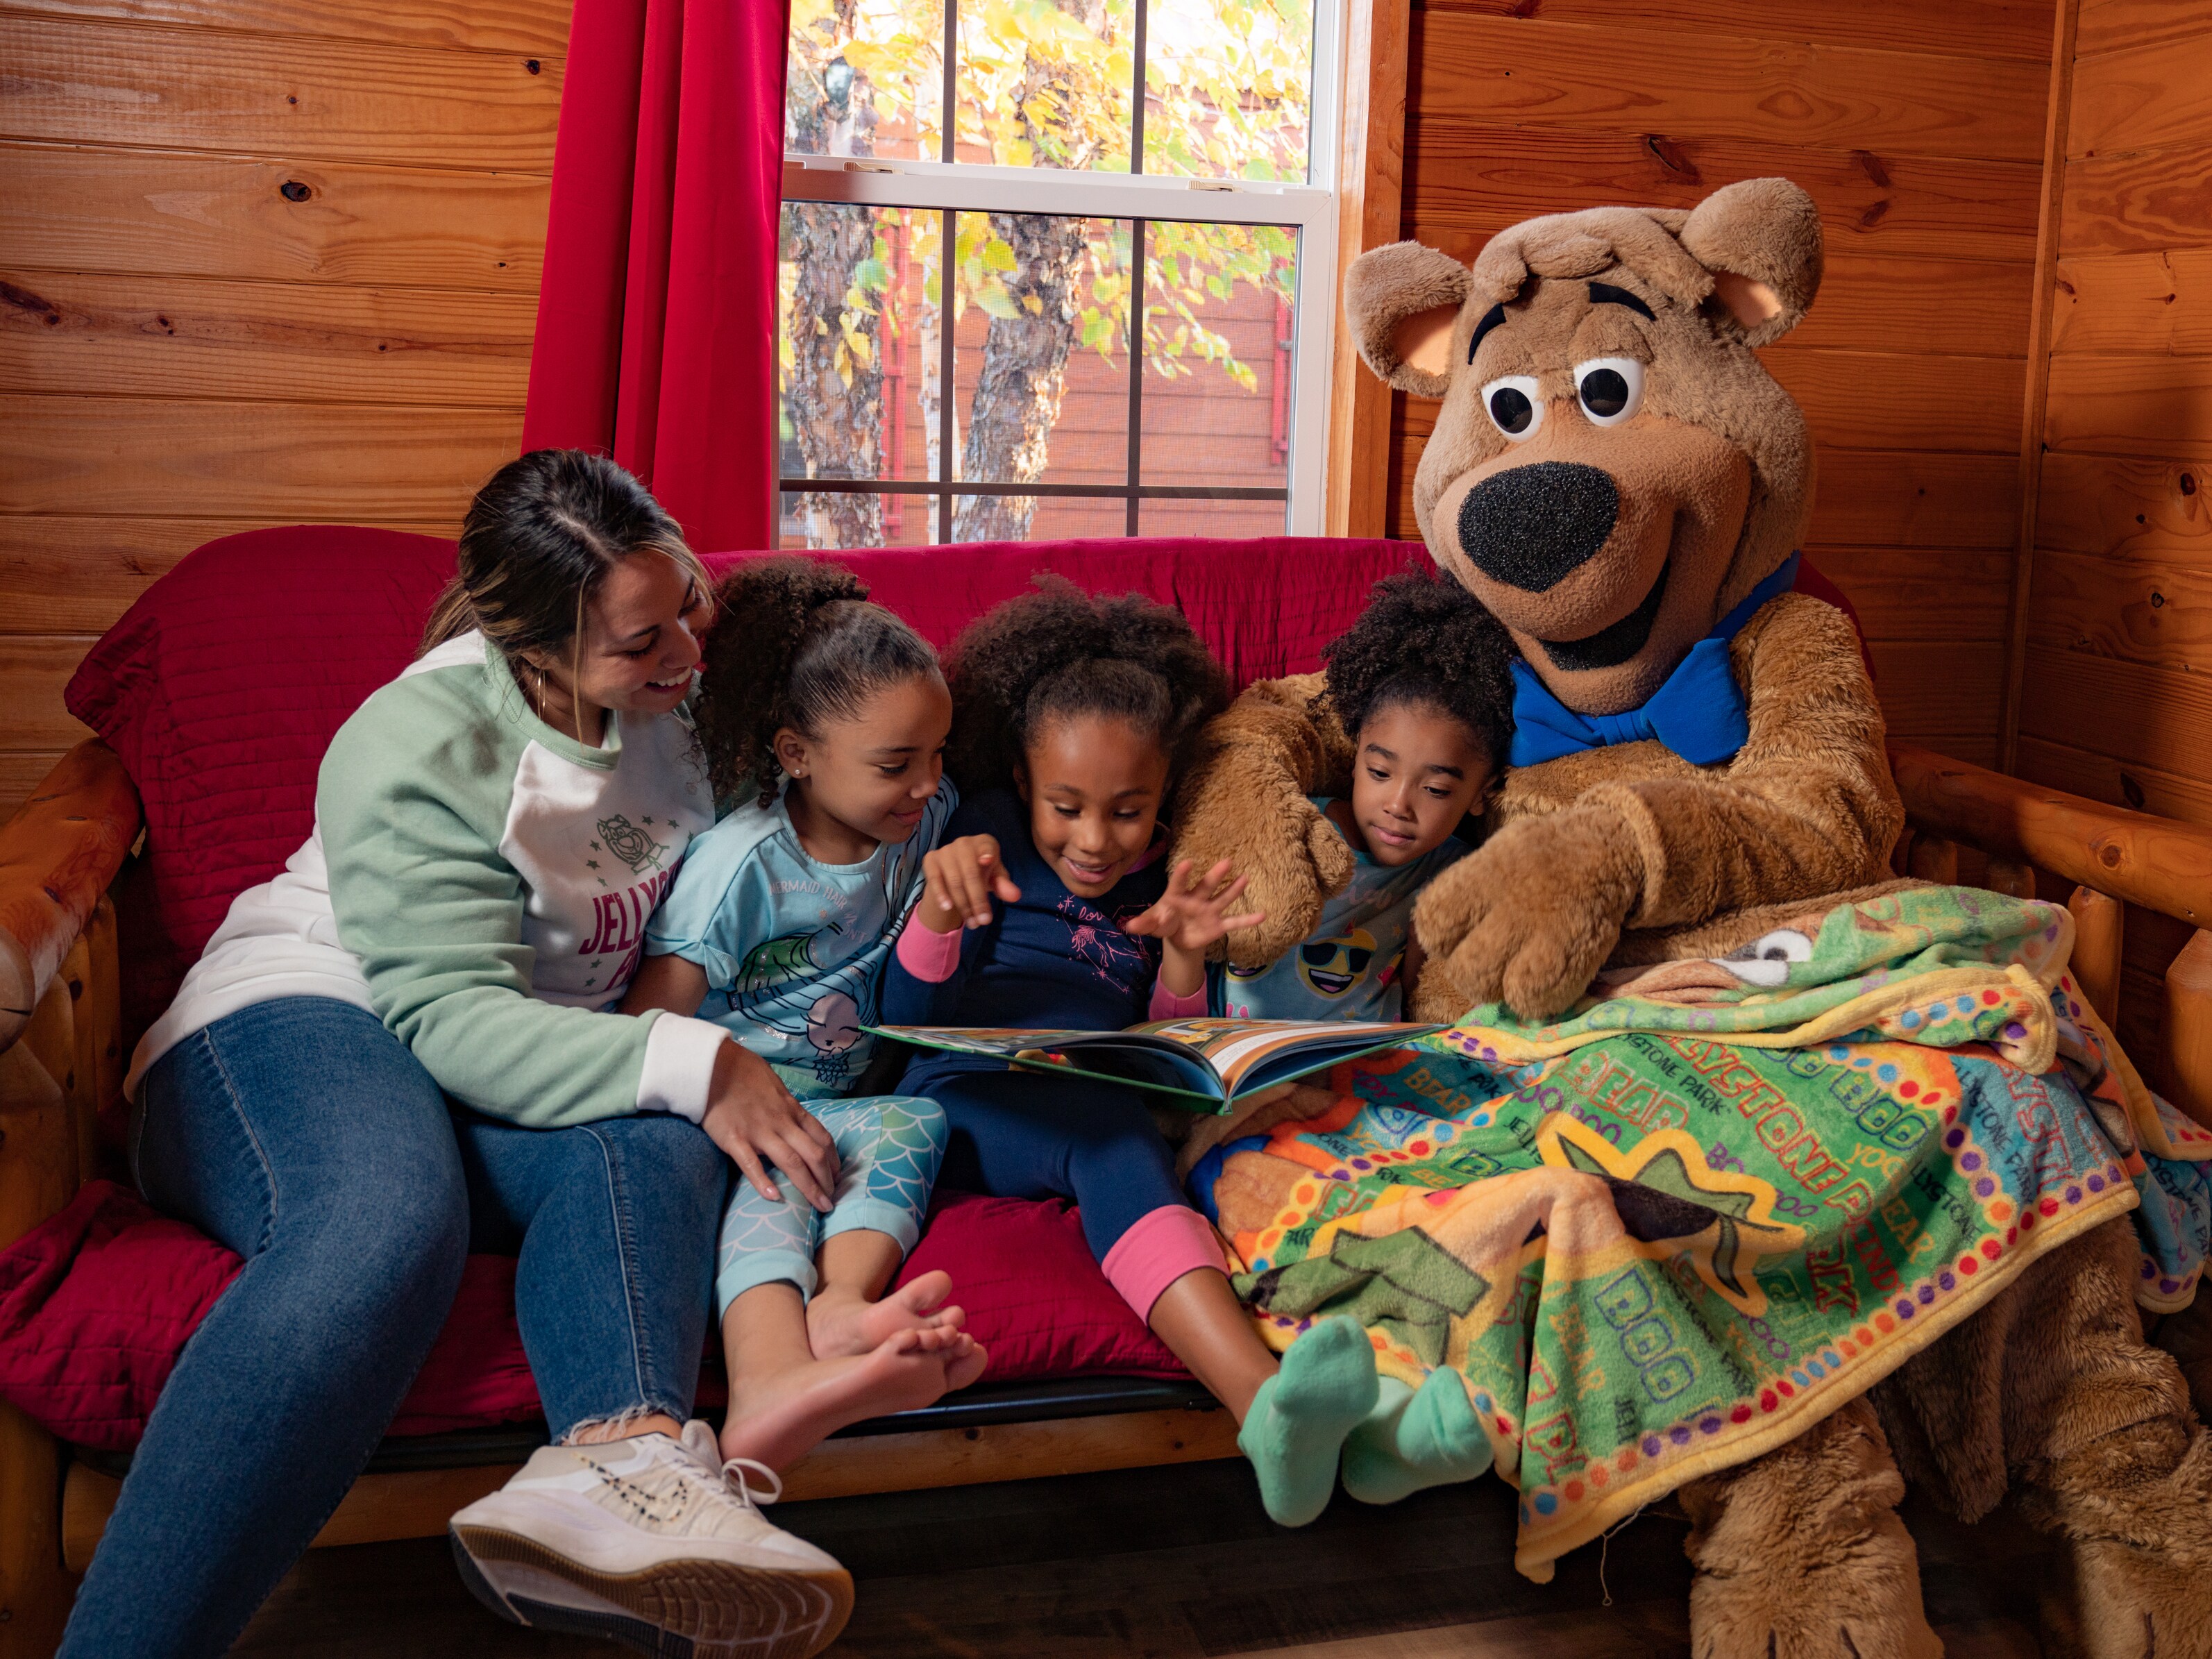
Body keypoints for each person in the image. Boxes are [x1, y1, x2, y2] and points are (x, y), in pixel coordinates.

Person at [70, 451, 851, 1659]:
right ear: (531, 647)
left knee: (655, 1144)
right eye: (639, 642)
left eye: (685, 604)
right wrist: (703, 1063)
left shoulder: (687, 703)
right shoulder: (418, 740)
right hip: (304, 1015)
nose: (685, 654)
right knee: (384, 1221)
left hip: (508, 1059)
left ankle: (623, 1470)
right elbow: (445, 1016)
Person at [879, 578, 1442, 1527]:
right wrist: (937, 914)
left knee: (1136, 1129)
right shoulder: (986, 832)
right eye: (1065, 806)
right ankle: (1260, 1405)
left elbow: (1166, 1041)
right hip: (960, 1094)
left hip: (1094, 1087)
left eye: (1127, 810)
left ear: (1161, 792)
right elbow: (906, 1017)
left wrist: (1181, 954)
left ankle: (1360, 1432)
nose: (1095, 840)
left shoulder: (1171, 867)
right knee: (1113, 1143)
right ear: (1022, 780)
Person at [622, 556, 984, 1476]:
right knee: (777, 1180)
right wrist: (716, 1101)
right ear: (796, 754)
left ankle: (840, 1305)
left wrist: (978, 846)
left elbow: (973, 820)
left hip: (846, 1103)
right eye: (894, 765)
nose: (926, 784)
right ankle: (766, 1376)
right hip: (737, 1111)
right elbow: (644, 1028)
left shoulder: (926, 818)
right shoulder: (740, 867)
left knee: (918, 1119)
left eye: (937, 754)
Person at [1217, 570, 1514, 1022]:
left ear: (1480, 794)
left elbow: (1423, 998)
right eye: (1379, 772)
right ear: (1355, 759)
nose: (1398, 805)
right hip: (1237, 1045)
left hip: (1363, 1053)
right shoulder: (1297, 829)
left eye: (1435, 789)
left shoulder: (1455, 873)